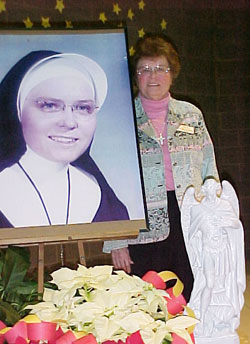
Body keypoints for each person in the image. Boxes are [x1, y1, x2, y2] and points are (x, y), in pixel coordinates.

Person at [103, 33, 219, 301]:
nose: (152, 76)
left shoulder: (191, 115)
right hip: (139, 225)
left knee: (193, 296)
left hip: (190, 220)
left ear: (172, 73)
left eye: (159, 68)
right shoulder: (121, 118)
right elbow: (109, 184)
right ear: (135, 76)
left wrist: (214, 222)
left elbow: (209, 168)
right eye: (144, 69)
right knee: (145, 302)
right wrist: (116, 240)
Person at [0, 50, 129, 228]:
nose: (69, 122)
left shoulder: (99, 195)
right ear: (18, 111)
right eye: (50, 105)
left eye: (83, 108)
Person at [184, 179, 245, 336]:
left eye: (213, 187)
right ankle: (202, 317)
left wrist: (224, 222)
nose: (210, 190)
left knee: (224, 282)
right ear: (204, 189)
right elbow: (191, 233)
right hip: (207, 251)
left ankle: (224, 317)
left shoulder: (224, 205)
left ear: (217, 189)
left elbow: (236, 224)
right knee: (209, 283)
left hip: (222, 250)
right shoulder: (197, 209)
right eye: (208, 187)